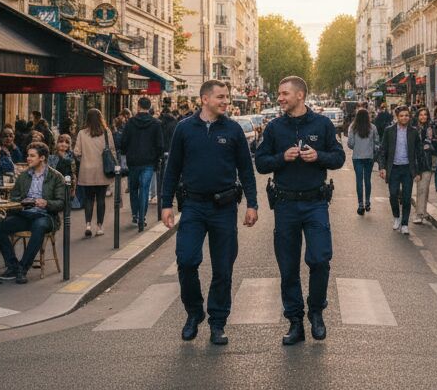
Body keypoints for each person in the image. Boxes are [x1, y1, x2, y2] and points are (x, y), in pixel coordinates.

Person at [160, 80, 259, 347]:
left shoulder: (234, 129)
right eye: (221, 97)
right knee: (187, 260)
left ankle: (217, 322)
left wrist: (252, 204)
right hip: (192, 205)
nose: (226, 101)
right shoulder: (184, 129)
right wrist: (166, 203)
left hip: (224, 207)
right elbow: (172, 168)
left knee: (223, 268)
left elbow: (246, 170)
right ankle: (194, 312)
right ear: (204, 99)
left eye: (226, 96)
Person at [254, 76, 345, 345]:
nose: (280, 98)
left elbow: (339, 157)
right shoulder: (274, 128)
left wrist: (319, 156)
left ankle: (316, 311)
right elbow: (260, 163)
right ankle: (295, 321)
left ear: (300, 95)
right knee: (288, 266)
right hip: (285, 205)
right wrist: (282, 158)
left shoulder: (322, 124)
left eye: (284, 94)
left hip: (316, 203)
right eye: (279, 94)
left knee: (319, 259)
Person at [0, 143, 67, 284]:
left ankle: (23, 268)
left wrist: (46, 203)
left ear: (42, 158)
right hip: (25, 213)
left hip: (46, 215)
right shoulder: (23, 176)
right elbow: (14, 197)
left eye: (32, 155)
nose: (28, 158)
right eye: (28, 155)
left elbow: (61, 203)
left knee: (39, 227)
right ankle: (12, 266)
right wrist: (22, 202)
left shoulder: (55, 176)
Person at [118, 96, 165, 232]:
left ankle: (135, 214)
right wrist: (157, 158)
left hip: (133, 161)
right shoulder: (156, 123)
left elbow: (123, 142)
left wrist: (126, 153)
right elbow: (160, 145)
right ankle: (142, 217)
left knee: (133, 188)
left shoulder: (131, 122)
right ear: (149, 107)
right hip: (149, 162)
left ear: (138, 106)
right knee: (144, 189)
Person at [376, 105, 424, 235]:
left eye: (406, 115)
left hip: (408, 169)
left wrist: (418, 172)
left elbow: (419, 153)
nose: (404, 118)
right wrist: (382, 167)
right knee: (393, 195)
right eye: (402, 116)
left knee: (407, 198)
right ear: (397, 117)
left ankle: (404, 224)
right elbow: (382, 150)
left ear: (409, 116)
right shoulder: (389, 131)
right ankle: (396, 217)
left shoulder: (414, 132)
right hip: (394, 169)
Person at [73, 109, 116, 237]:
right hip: (102, 170)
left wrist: (84, 159)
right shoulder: (106, 132)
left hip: (86, 171)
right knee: (101, 199)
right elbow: (112, 150)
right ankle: (100, 226)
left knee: (89, 199)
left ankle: (88, 225)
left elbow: (77, 152)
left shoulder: (81, 133)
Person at [347, 108, 376, 215]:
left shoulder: (353, 127)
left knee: (359, 181)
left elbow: (350, 144)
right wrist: (371, 149)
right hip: (369, 157)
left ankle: (360, 204)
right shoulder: (373, 127)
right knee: (367, 180)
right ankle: (368, 202)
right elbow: (376, 142)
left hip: (357, 158)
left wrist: (357, 146)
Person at [411, 107, 436, 224]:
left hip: (427, 161)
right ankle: (421, 213)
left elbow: (435, 144)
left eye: (425, 115)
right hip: (416, 161)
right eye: (421, 115)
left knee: (423, 189)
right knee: (421, 188)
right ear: (417, 116)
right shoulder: (413, 129)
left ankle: (421, 213)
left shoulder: (431, 128)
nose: (423, 117)